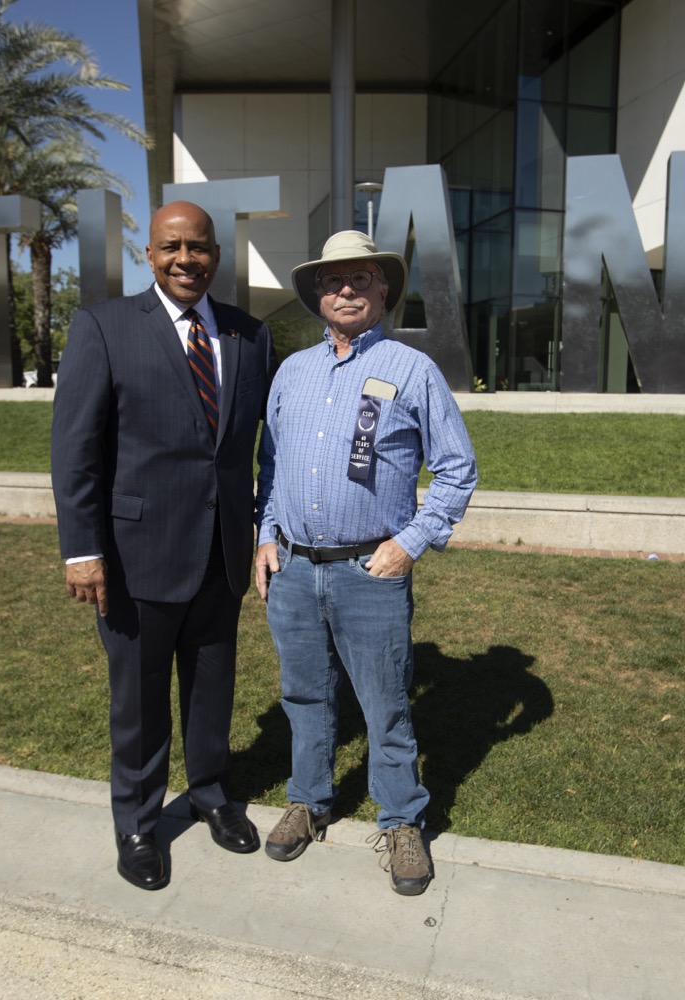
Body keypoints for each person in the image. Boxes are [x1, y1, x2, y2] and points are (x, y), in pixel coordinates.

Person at [51, 200, 277, 891]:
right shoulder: (104, 327)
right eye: (172, 246)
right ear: (148, 254)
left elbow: (262, 445)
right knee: (140, 700)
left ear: (216, 255)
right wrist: (81, 548)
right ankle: (139, 823)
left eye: (200, 247)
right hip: (134, 556)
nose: (187, 259)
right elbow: (75, 449)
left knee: (213, 687)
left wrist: (261, 525)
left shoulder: (248, 335)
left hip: (220, 552)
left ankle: (210, 793)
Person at [253, 230, 478, 895]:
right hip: (292, 569)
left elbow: (458, 470)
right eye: (332, 280)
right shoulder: (291, 372)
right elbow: (271, 470)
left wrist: (410, 543)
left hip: (368, 575)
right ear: (316, 294)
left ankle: (403, 819)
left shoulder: (412, 371)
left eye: (359, 278)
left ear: (383, 290)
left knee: (384, 704)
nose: (345, 289)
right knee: (304, 694)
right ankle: (310, 799)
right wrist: (265, 536)